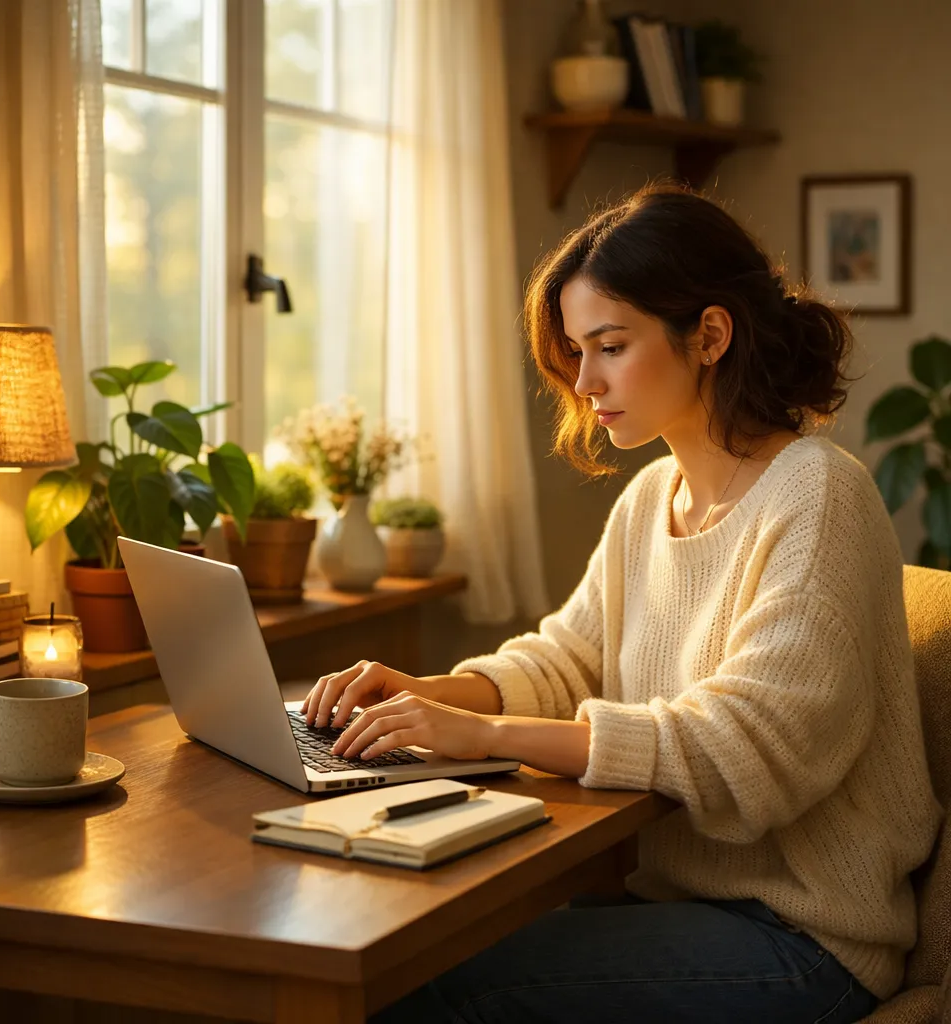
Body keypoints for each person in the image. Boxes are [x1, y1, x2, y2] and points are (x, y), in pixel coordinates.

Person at [301, 183, 942, 1023]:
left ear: (710, 334)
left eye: (609, 345)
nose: (584, 378)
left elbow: (749, 749)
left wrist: (485, 735)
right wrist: (424, 693)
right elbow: (568, 659)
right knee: (400, 943)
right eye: (574, 350)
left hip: (804, 941)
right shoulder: (652, 497)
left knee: (432, 984)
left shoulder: (821, 497)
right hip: (670, 901)